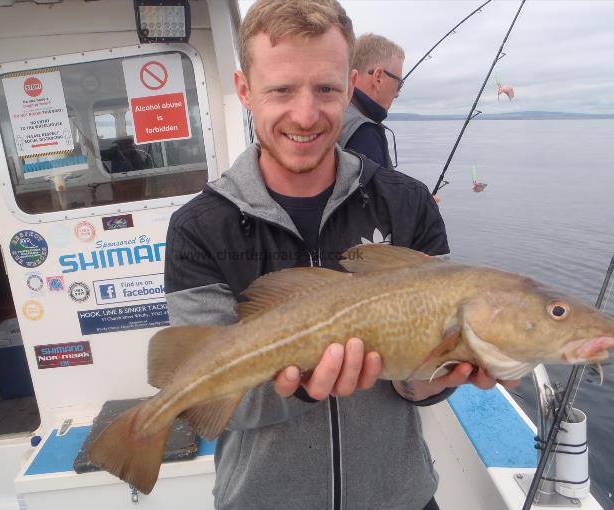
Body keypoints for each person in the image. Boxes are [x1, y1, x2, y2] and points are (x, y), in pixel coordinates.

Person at [164, 1, 513, 508]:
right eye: (281, 89)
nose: (305, 115)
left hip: (399, 497)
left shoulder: (406, 202)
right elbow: (210, 398)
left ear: (350, 87)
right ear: (244, 90)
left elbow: (416, 386)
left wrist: (441, 375)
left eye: (326, 89)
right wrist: (304, 385)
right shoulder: (198, 229)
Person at [339, 33, 404, 170]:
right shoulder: (365, 134)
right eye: (399, 83)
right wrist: (420, 192)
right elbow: (378, 191)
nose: (397, 93)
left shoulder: (335, 113)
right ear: (378, 77)